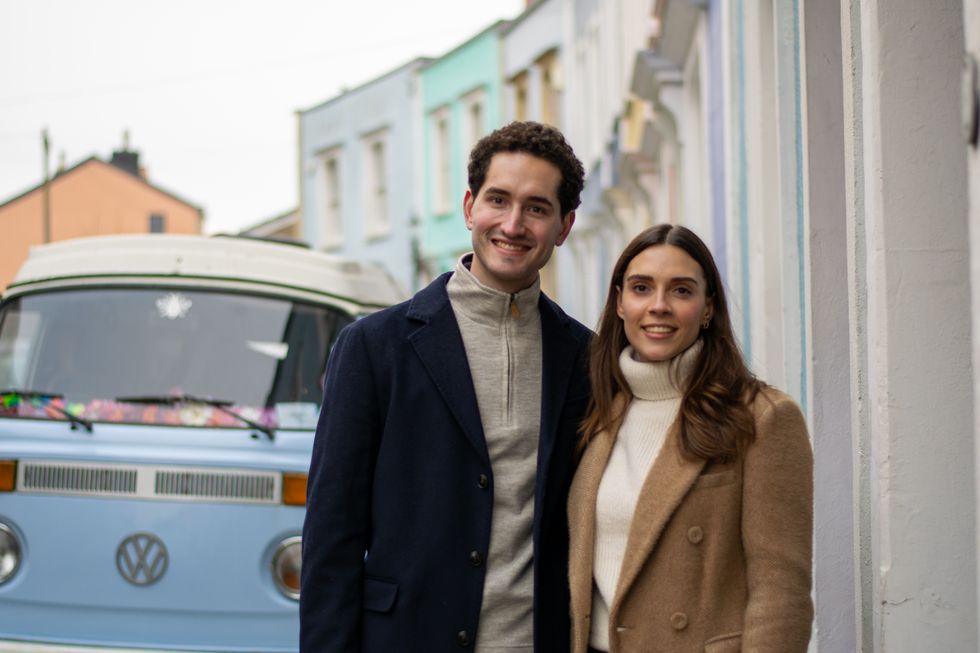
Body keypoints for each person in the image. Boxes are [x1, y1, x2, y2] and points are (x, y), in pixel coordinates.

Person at [300, 121, 591, 652]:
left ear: (564, 225)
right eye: (497, 200)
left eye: (537, 208)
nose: (512, 223)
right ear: (468, 207)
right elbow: (331, 537)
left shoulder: (586, 358)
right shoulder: (373, 347)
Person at [568, 224, 813, 652]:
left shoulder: (763, 418)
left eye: (681, 291)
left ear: (707, 309)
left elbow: (781, 592)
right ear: (620, 303)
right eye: (642, 288)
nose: (658, 306)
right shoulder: (598, 412)